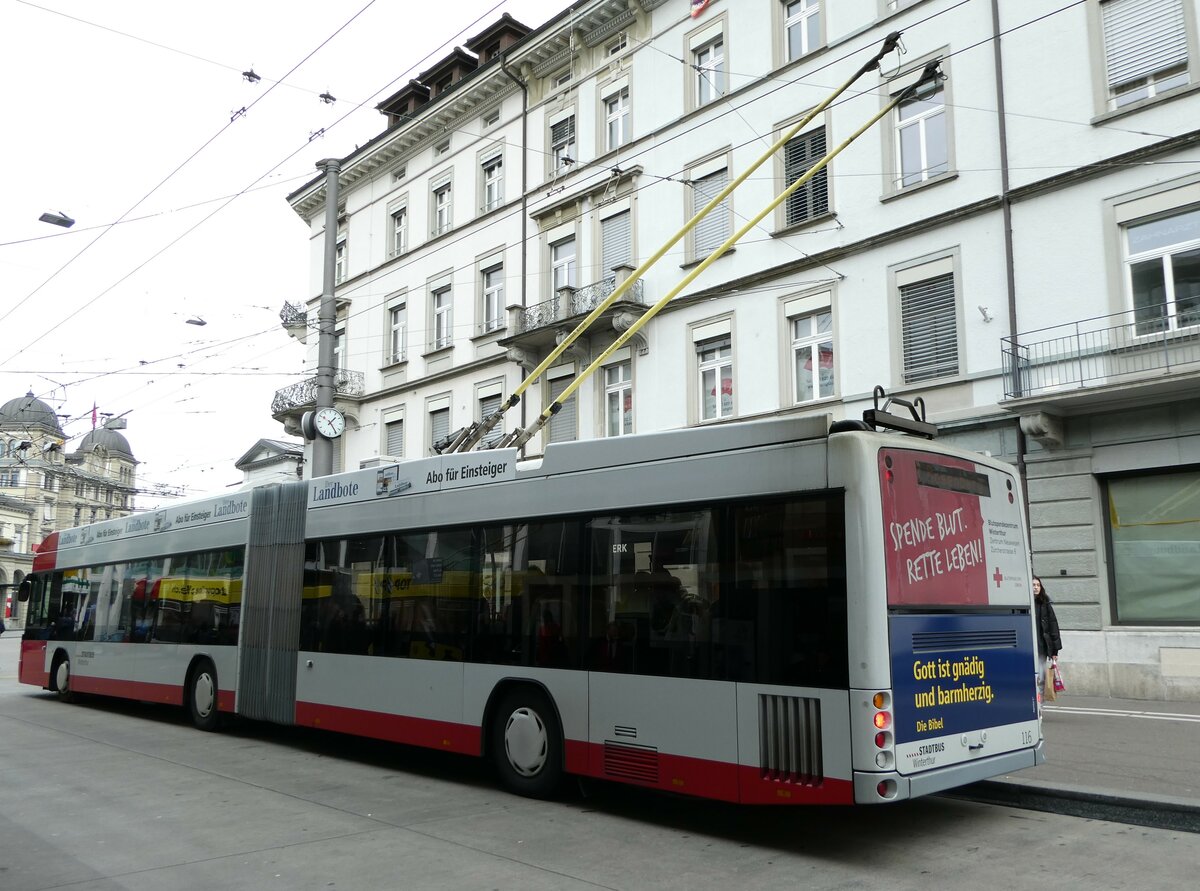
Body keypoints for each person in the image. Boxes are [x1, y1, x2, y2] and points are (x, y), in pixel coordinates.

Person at [1034, 576, 1062, 697]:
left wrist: (1055, 650)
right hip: (1029, 648)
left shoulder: (1045, 604)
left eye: (1038, 585)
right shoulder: (1024, 604)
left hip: (1041, 647)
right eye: (1033, 585)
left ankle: (1039, 705)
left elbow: (1053, 627)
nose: (1036, 587)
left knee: (1040, 676)